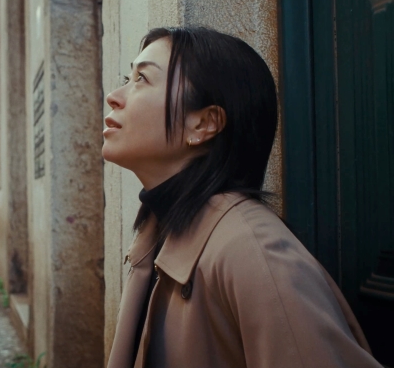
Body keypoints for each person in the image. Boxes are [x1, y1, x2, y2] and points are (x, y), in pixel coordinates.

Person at [103, 27, 382, 368]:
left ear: (204, 124)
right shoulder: (158, 231)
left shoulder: (255, 253)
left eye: (142, 79)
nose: (115, 96)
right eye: (127, 78)